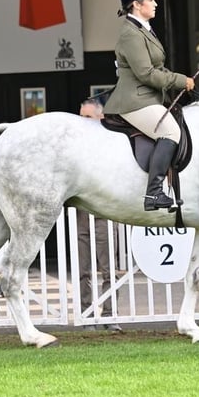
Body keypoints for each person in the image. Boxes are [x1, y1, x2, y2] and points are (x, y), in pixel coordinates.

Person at [103, 0, 195, 211]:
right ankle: (154, 193)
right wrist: (180, 80)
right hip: (134, 101)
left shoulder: (144, 29)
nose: (155, 3)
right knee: (171, 132)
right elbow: (146, 73)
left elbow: (158, 67)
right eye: (151, 0)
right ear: (136, 3)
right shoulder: (130, 34)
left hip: (148, 97)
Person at [78, 99, 121, 331]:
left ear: (100, 118)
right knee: (82, 269)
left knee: (108, 269)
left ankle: (110, 315)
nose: (82, 122)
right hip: (82, 213)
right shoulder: (75, 147)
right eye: (80, 116)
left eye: (87, 117)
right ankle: (87, 315)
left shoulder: (111, 144)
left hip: (105, 212)